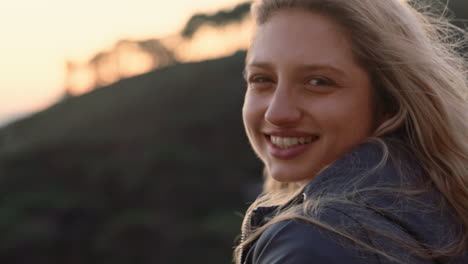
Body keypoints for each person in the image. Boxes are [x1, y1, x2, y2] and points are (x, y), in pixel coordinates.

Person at [234, 0, 468, 263]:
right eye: (262, 79)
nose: (276, 113)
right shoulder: (444, 209)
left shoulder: (313, 241)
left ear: (389, 101)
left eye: (318, 82)